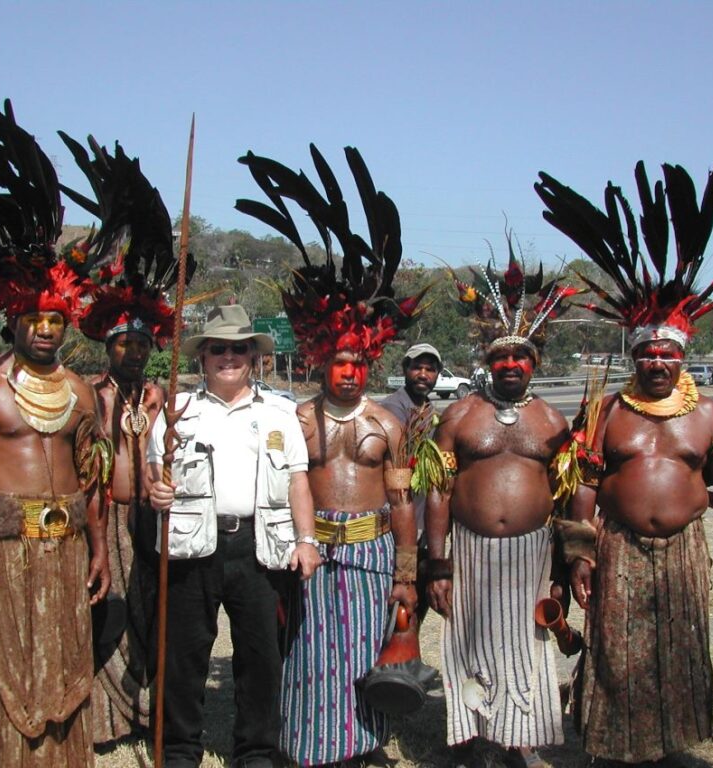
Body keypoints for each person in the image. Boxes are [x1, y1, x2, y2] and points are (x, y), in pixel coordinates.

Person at [236, 145, 426, 766]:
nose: (349, 371)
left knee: (365, 647)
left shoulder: (387, 424)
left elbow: (402, 499)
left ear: (369, 364)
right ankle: (309, 744)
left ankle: (364, 744)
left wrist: (405, 574)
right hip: (311, 547)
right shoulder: (294, 419)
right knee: (310, 651)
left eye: (358, 363)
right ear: (322, 361)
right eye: (339, 362)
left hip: (372, 549)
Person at [537, 160, 713, 764]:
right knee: (615, 651)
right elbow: (584, 485)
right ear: (635, 356)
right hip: (617, 547)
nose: (658, 363)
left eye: (668, 353)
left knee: (682, 649)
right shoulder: (607, 410)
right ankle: (613, 747)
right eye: (649, 354)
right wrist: (581, 554)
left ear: (681, 357)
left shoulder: (710, 415)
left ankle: (673, 747)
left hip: (684, 553)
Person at [0, 101, 112, 766]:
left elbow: (93, 474)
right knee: (8, 667)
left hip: (68, 544)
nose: (47, 329)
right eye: (36, 318)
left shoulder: (79, 393)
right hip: (4, 547)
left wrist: (100, 545)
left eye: (56, 319)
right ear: (15, 319)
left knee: (68, 662)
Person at [62, 132, 193, 746]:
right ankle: (106, 720)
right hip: (107, 516)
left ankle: (146, 714)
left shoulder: (163, 396)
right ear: (107, 347)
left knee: (149, 618)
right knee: (108, 617)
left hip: (153, 520)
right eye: (123, 344)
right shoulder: (92, 395)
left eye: (142, 344)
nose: (134, 352)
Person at [147, 304, 320, 768]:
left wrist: (307, 540)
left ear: (254, 356)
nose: (229, 357)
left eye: (238, 349)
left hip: (260, 548)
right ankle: (180, 750)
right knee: (184, 657)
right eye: (218, 349)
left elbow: (299, 480)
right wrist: (158, 492)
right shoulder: (175, 413)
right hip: (192, 547)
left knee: (261, 657)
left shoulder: (281, 413)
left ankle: (256, 751)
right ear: (201, 358)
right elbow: (153, 476)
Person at [427, 247, 576, 767]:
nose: (511, 365)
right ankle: (477, 738)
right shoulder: (459, 415)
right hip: (470, 551)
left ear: (535, 364)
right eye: (500, 358)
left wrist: (564, 565)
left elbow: (569, 497)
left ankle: (521, 739)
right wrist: (438, 563)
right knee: (470, 645)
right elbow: (437, 490)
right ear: (487, 362)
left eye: (521, 358)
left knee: (526, 647)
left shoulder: (556, 422)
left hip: (532, 553)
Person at [381, 342, 443, 622]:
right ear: (405, 369)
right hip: (399, 527)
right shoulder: (394, 410)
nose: (423, 374)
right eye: (417, 367)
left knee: (415, 607)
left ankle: (408, 660)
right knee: (397, 611)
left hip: (423, 525)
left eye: (430, 369)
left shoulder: (429, 411)